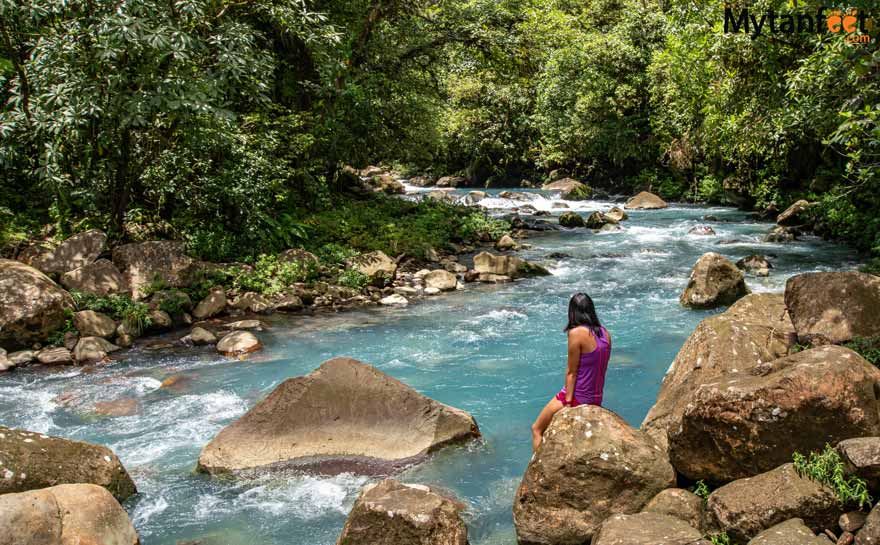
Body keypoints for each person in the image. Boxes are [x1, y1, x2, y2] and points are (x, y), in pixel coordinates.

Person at [530, 293, 612, 452]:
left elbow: (571, 372)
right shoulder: (605, 333)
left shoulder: (576, 333)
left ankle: (536, 469)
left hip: (578, 396)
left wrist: (568, 404)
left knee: (537, 429)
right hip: (596, 397)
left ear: (573, 312)